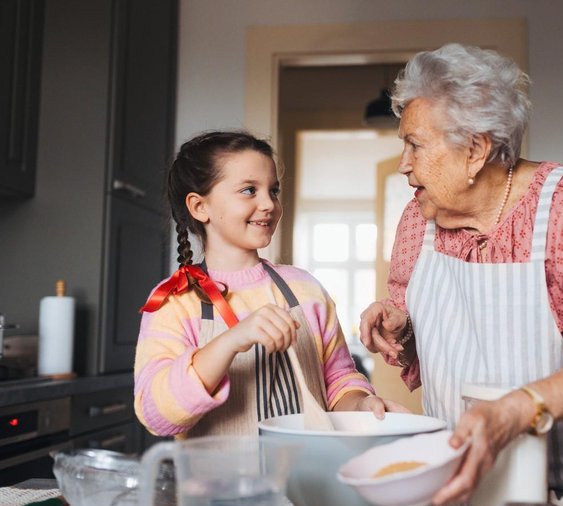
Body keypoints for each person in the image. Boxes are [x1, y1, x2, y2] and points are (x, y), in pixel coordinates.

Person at [359, 44, 563, 505]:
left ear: (475, 150)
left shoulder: (562, 204)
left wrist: (515, 411)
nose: (403, 164)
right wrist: (402, 326)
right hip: (457, 485)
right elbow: (442, 342)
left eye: (414, 144)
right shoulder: (420, 217)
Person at [135, 130, 406, 438]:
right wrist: (231, 340)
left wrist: (361, 405)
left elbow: (339, 380)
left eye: (273, 190)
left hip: (304, 480)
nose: (269, 204)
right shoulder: (174, 302)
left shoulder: (306, 290)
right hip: (217, 484)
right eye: (249, 190)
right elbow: (157, 415)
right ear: (200, 207)